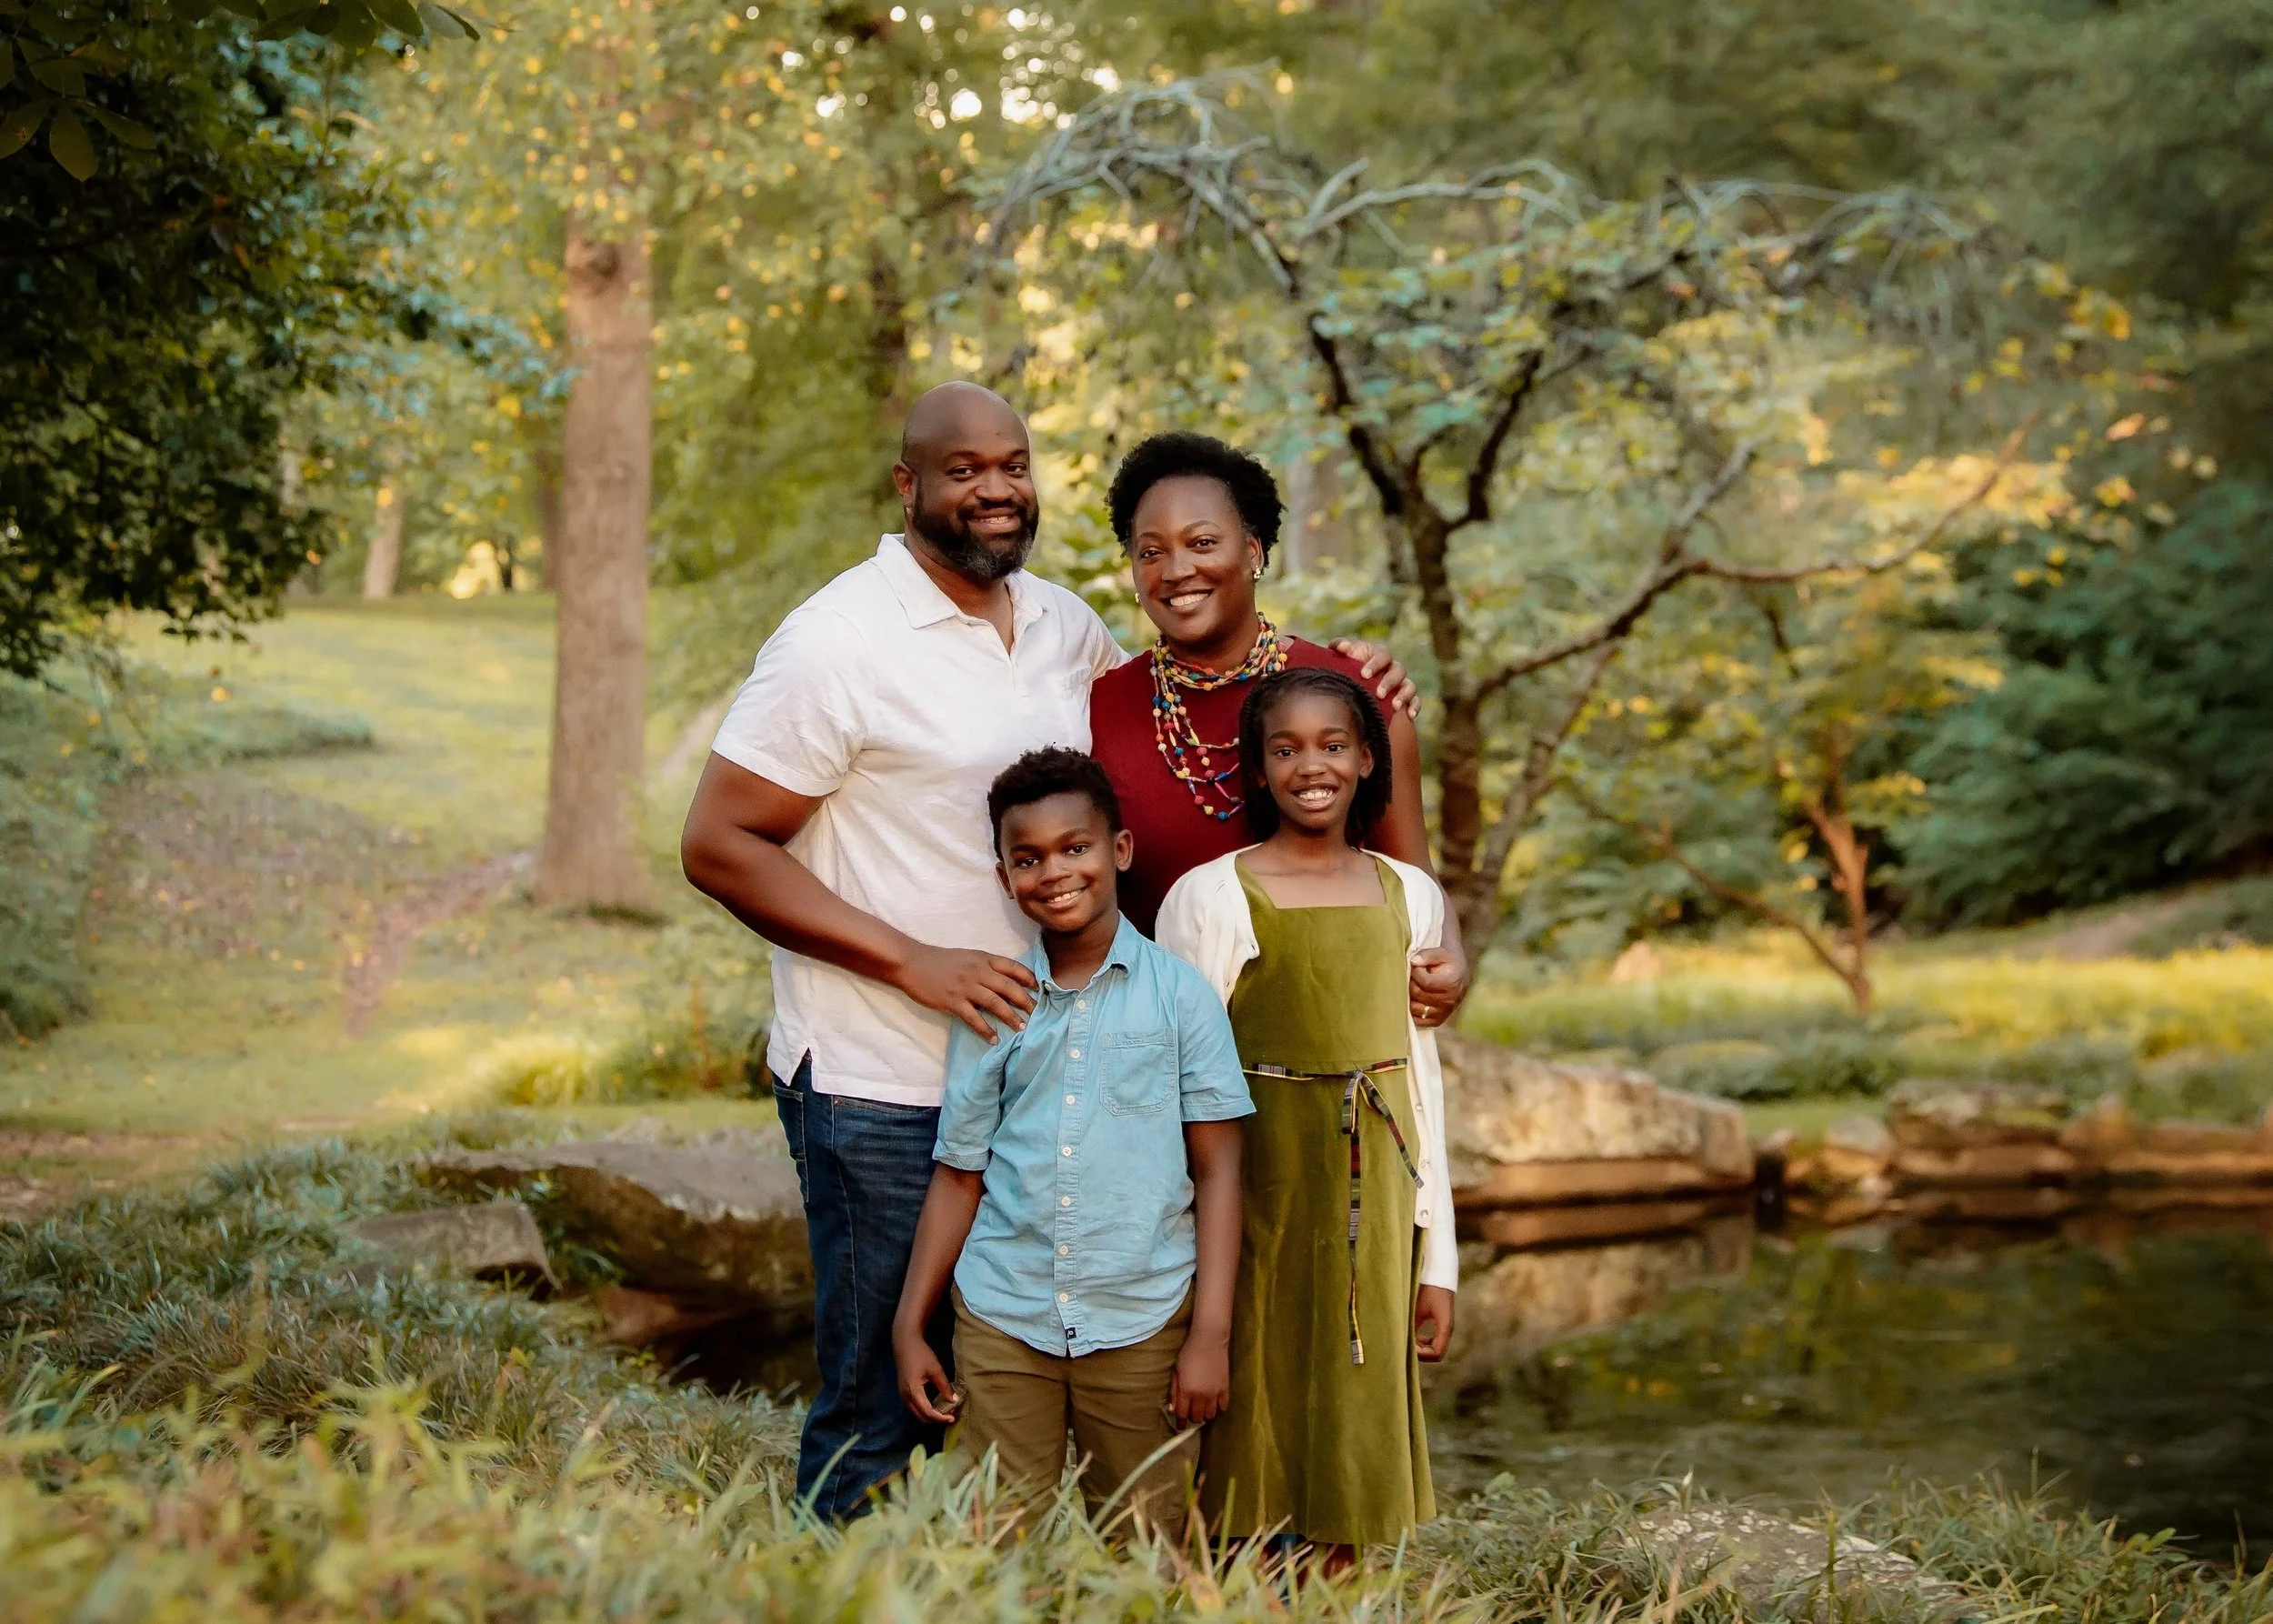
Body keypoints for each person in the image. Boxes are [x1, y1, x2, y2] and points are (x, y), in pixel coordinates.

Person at [680, 381, 1412, 1519]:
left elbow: (1195, 696)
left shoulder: (1062, 627)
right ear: (907, 484)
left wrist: (1352, 678)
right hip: (882, 1079)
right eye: (962, 468)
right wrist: (911, 960)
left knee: (990, 1426)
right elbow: (719, 843)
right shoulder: (836, 640)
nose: (993, 488)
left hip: (1033, 1083)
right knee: (880, 1396)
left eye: (1011, 464)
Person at [890, 747, 1248, 1529]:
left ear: (1119, 850)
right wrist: (910, 1323)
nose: (1054, 872)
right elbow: (959, 1174)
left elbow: (1220, 1174)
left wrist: (1210, 1337)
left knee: (1149, 1547)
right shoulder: (996, 1005)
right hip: (1002, 1317)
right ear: (1005, 877)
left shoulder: (1183, 1000)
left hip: (1143, 1320)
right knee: (989, 1544)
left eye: (1075, 848)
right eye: (1028, 858)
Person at [1154, 667, 1457, 1564]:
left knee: (1350, 1422)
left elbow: (1422, 1083)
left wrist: (1436, 1256)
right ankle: (1241, 1588)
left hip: (1374, 1216)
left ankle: (1340, 1589)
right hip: (1256, 1202)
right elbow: (1179, 1084)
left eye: (1332, 745)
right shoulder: (1209, 896)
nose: (1310, 767)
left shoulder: (1411, 894)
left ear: (1368, 758)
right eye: (1283, 749)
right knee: (1251, 1406)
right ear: (1253, 769)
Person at [1085, 431, 1468, 1030]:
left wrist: (1451, 959)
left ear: (1255, 551)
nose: (1177, 570)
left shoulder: (1357, 692)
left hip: (1339, 1041)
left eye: (1203, 542)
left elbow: (1414, 877)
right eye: (1150, 552)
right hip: (1164, 1058)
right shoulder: (1100, 709)